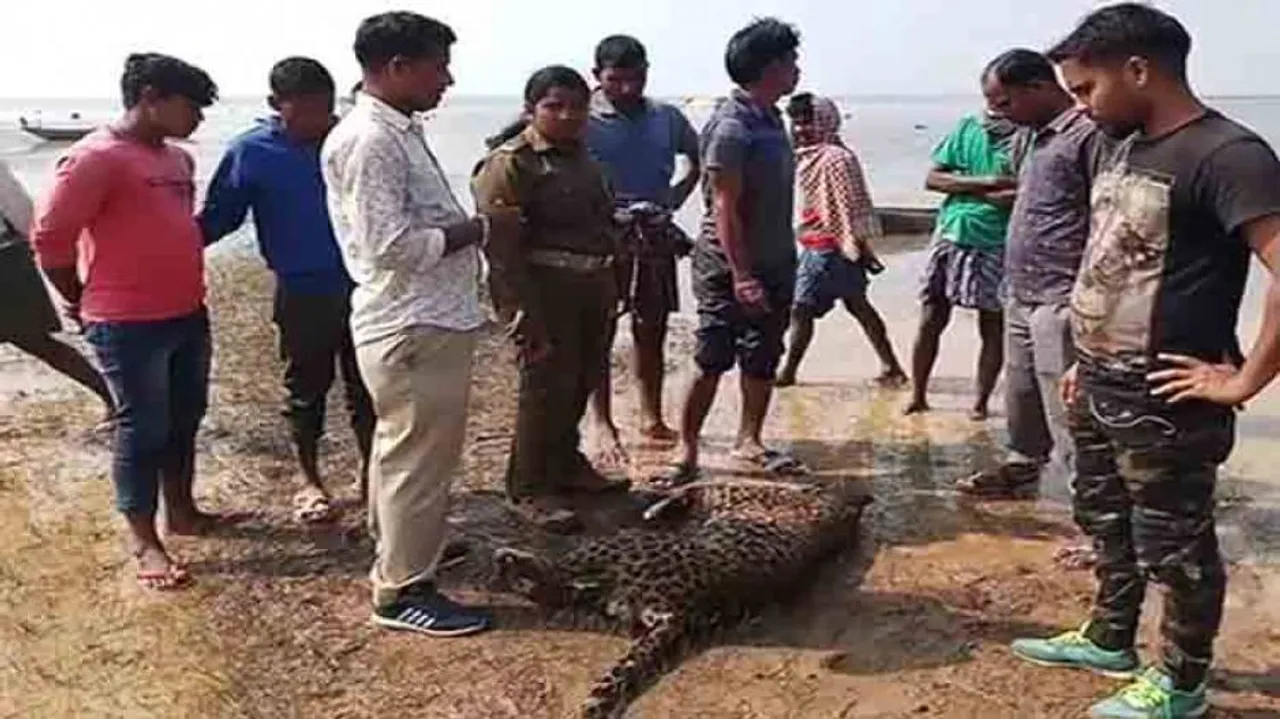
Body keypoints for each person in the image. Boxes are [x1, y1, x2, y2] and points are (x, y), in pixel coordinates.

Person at [1011, 5, 1280, 718]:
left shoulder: (1228, 155)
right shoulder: (1121, 146)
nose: (1079, 105)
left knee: (1175, 546)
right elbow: (1113, 258)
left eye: (1085, 89)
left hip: (1167, 398)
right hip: (1100, 380)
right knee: (1104, 517)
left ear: (1137, 70)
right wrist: (1086, 354)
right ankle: (1110, 637)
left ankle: (1182, 683)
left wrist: (1245, 378)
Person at [322, 11, 496, 637]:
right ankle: (401, 591)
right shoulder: (371, 139)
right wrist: (476, 229)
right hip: (412, 322)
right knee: (418, 463)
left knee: (403, 454)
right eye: (438, 67)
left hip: (425, 318)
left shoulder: (394, 130)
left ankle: (402, 551)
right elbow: (388, 245)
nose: (447, 80)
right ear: (397, 67)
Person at [31, 53, 222, 591]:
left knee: (185, 417)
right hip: (127, 322)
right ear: (150, 98)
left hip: (187, 311)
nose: (198, 118)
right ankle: (144, 540)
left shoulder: (177, 160)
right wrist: (78, 299)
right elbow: (50, 239)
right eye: (191, 105)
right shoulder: (94, 159)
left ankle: (182, 512)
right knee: (142, 428)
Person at [199, 57, 374, 524]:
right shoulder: (252, 152)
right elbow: (219, 218)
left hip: (365, 286)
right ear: (276, 104)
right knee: (305, 390)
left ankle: (370, 474)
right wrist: (163, 247)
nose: (318, 120)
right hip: (302, 291)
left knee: (369, 388)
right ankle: (310, 479)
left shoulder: (353, 140)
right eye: (306, 111)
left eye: (325, 108)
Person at [472, 65, 630, 533]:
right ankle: (528, 488)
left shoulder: (586, 160)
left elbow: (602, 224)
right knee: (543, 390)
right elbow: (500, 250)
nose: (567, 115)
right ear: (530, 110)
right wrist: (519, 313)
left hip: (592, 286)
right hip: (544, 291)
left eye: (577, 107)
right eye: (554, 106)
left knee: (582, 379)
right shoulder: (512, 163)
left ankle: (565, 465)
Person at [667, 18, 803, 485]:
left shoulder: (773, 118)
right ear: (769, 67)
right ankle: (687, 446)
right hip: (727, 263)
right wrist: (742, 275)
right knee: (712, 356)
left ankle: (750, 440)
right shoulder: (731, 126)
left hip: (776, 258)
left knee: (763, 356)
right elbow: (724, 207)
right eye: (791, 61)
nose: (797, 69)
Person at [582, 34, 702, 466]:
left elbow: (698, 159)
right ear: (597, 76)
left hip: (653, 234)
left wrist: (676, 197)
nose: (628, 88)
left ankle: (651, 416)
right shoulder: (581, 117)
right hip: (600, 237)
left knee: (652, 328)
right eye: (616, 80)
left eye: (637, 78)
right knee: (597, 332)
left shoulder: (666, 117)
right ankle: (602, 422)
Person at [903, 81, 1023, 420]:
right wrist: (986, 183)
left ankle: (980, 402)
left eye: (1002, 98)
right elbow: (933, 179)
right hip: (951, 234)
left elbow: (1020, 194)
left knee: (992, 324)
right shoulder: (968, 128)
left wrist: (962, 186)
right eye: (990, 97)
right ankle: (918, 394)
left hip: (996, 241)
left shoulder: (1025, 137)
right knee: (931, 316)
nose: (994, 105)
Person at [775, 93, 906, 388]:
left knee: (801, 308)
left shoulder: (836, 158)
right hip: (823, 244)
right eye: (796, 123)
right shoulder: (810, 156)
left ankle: (788, 372)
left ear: (825, 121)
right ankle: (891, 366)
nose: (801, 130)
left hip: (829, 248)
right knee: (858, 305)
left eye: (807, 122)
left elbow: (850, 209)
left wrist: (858, 246)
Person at [0, 159, 115, 422]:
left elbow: (16, 206)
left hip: (4, 260)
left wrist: (36, 241)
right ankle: (113, 398)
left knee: (35, 340)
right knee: (38, 342)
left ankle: (113, 398)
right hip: (7, 256)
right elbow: (18, 207)